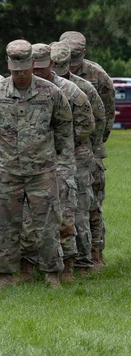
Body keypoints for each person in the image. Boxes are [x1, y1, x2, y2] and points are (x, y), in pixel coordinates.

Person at [0, 40, 73, 289]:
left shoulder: (51, 93)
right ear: (8, 64)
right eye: (14, 68)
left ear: (32, 64)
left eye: (24, 68)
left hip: (42, 171)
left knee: (48, 224)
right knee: (4, 224)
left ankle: (51, 274)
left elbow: (63, 126)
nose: (20, 73)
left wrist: (49, 154)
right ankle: (6, 275)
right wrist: (2, 153)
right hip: (6, 170)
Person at [31, 43, 92, 283]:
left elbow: (88, 123)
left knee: (66, 215)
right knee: (33, 217)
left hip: (62, 162)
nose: (35, 72)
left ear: (52, 64)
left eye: (41, 68)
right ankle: (36, 265)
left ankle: (69, 265)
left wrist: (64, 145)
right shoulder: (19, 88)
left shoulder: (71, 90)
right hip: (33, 163)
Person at [60, 30, 115, 267]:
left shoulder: (97, 77)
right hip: (62, 151)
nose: (70, 62)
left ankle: (95, 252)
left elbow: (106, 116)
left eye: (75, 56)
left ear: (83, 53)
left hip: (88, 149)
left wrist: (92, 147)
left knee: (91, 203)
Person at [51, 41, 106, 275]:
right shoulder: (44, 86)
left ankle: (84, 260)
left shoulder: (82, 88)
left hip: (79, 155)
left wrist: (87, 149)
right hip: (47, 156)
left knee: (81, 208)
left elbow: (99, 121)